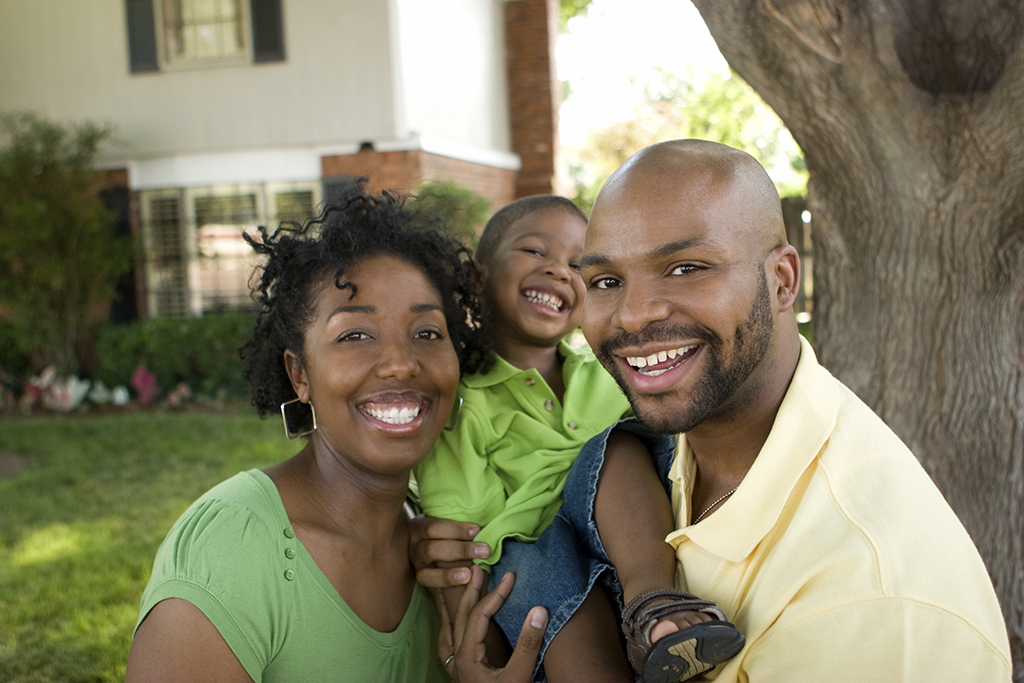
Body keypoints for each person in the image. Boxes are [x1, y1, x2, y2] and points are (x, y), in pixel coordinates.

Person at [422, 139, 1014, 682]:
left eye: (686, 268)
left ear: (782, 281)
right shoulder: (679, 439)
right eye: (605, 280)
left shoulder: (868, 603)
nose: (632, 315)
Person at [124, 188, 546, 683]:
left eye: (428, 332)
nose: (401, 363)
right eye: (354, 335)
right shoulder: (234, 551)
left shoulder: (441, 549)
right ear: (299, 374)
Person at [414, 195, 743, 683]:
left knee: (617, 447)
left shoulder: (611, 375)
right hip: (539, 576)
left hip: (633, 552)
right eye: (534, 251)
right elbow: (466, 548)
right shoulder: (460, 400)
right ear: (476, 276)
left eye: (578, 266)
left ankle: (655, 607)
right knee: (523, 561)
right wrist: (466, 648)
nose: (557, 271)